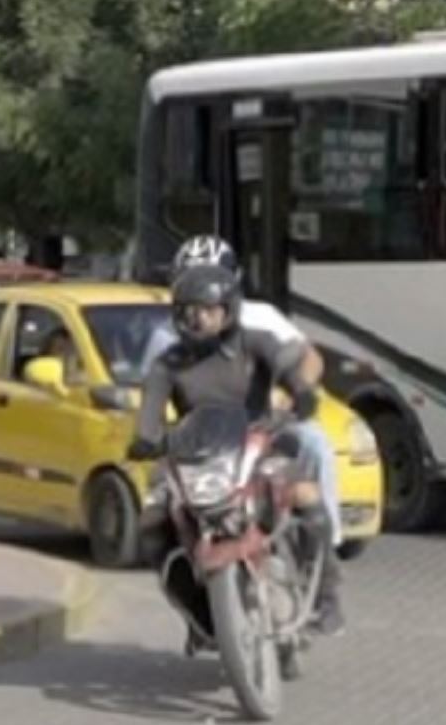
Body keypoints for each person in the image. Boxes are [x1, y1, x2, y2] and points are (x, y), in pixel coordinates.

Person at [129, 263, 346, 643]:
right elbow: (149, 412)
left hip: (260, 446)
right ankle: (199, 615)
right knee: (151, 522)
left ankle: (326, 598)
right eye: (187, 311)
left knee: (305, 494)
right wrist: (146, 439)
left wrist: (301, 393)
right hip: (195, 457)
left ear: (228, 310)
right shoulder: (169, 363)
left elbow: (291, 369)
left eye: (207, 309)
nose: (197, 319)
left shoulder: (256, 342)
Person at [144, 237, 342, 567]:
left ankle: (325, 553)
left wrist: (290, 393)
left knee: (313, 442)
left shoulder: (261, 319)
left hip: (260, 427)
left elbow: (309, 357)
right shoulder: (164, 335)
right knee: (155, 509)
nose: (200, 293)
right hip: (199, 440)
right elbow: (151, 394)